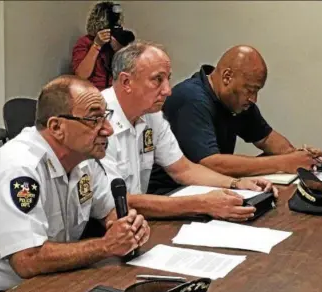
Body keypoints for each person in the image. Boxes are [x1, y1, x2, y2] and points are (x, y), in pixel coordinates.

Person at [0, 75, 150, 292]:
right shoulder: (19, 169)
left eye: (106, 117)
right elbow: (27, 260)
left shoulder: (84, 160)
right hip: (0, 290)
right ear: (57, 127)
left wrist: (127, 226)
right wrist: (107, 245)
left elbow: (109, 212)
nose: (108, 129)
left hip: (57, 277)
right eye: (94, 120)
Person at [100, 41, 278, 221]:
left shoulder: (151, 115)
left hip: (135, 221)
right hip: (100, 231)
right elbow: (115, 202)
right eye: (157, 80)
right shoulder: (98, 121)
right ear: (126, 82)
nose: (168, 91)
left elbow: (182, 169)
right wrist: (202, 203)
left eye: (168, 79)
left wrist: (236, 183)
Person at [148, 45, 322, 195]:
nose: (254, 98)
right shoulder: (191, 98)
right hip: (172, 194)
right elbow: (211, 163)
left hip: (209, 190)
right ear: (227, 77)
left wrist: (298, 156)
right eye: (250, 90)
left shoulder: (236, 101)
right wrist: (284, 162)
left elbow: (266, 138)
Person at [72, 1, 135, 90]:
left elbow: (130, 73)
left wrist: (119, 50)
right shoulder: (85, 42)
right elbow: (81, 76)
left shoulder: (117, 41)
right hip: (93, 91)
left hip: (116, 91)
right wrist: (96, 45)